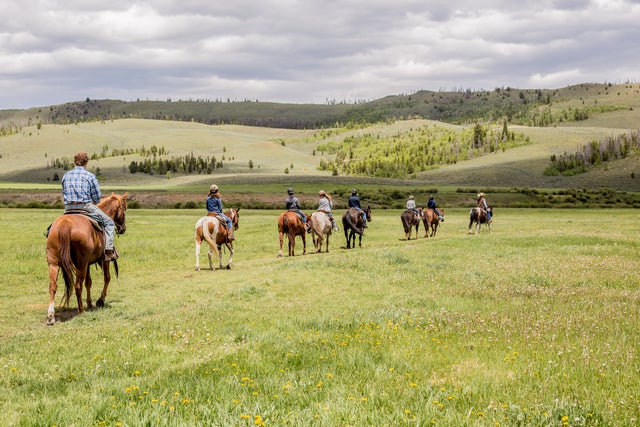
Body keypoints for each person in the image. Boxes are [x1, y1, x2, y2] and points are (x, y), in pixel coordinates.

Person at [62, 151, 118, 261]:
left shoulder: (66, 175)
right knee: (109, 223)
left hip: (68, 208)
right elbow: (97, 198)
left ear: (75, 162)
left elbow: (64, 192)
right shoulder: (90, 176)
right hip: (85, 207)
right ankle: (108, 251)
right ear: (86, 162)